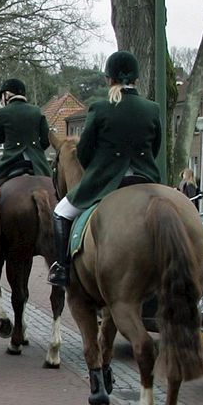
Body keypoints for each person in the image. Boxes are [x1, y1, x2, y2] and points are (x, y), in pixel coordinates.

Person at [48, 50, 161, 287]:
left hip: (107, 181)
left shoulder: (100, 108)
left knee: (61, 212)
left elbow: (85, 151)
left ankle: (62, 268)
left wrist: (95, 170)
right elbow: (156, 148)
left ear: (109, 79)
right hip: (146, 179)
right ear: (136, 79)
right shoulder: (152, 108)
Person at [0, 78, 52, 186]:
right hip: (37, 162)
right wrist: (36, 148)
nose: (1, 100)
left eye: (2, 96)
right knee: (55, 188)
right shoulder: (36, 110)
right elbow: (46, 139)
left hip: (10, 160)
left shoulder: (2, 112)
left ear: (7, 94)